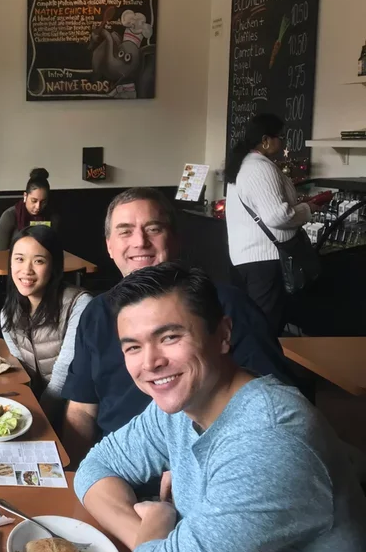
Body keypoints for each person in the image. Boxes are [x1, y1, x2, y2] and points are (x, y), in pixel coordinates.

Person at [75, 264, 366, 552]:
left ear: (223, 335)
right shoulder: (183, 405)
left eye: (170, 337)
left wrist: (159, 520)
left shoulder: (270, 441)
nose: (150, 362)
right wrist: (150, 537)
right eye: (133, 347)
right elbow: (95, 468)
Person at [60, 188, 293, 467]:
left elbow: (269, 407)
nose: (140, 242)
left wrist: (185, 470)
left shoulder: (225, 305)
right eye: (125, 231)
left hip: (211, 470)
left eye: (153, 229)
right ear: (109, 246)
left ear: (176, 239)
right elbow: (82, 410)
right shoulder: (96, 313)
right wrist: (73, 473)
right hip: (114, 467)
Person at [225, 113, 321, 336]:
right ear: (266, 140)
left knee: (255, 322)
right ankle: (263, 370)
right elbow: (277, 216)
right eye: (281, 137)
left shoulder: (244, 164)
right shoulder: (260, 167)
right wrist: (308, 209)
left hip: (249, 259)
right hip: (265, 260)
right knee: (265, 327)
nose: (283, 142)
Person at [0, 224, 91, 405]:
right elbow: (21, 370)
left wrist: (39, 419)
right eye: (19, 259)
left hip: (75, 410)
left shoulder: (79, 305)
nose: (27, 270)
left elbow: (63, 375)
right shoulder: (8, 312)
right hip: (36, 405)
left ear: (54, 266)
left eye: (39, 261)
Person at [0, 168, 54, 250]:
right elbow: (0, 253)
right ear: (25, 196)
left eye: (43, 202)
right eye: (34, 201)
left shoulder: (53, 217)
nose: (38, 206)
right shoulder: (10, 216)